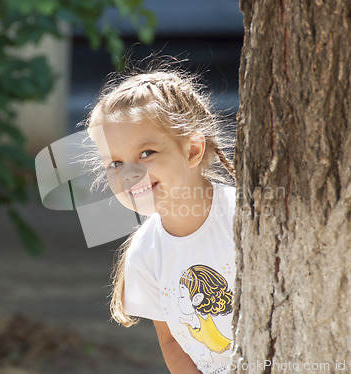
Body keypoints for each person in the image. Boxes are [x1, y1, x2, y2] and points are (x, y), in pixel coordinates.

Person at [85, 67, 236, 374]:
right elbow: (171, 342)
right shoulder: (145, 253)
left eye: (147, 153)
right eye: (115, 163)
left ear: (192, 150)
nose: (130, 174)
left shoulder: (244, 219)